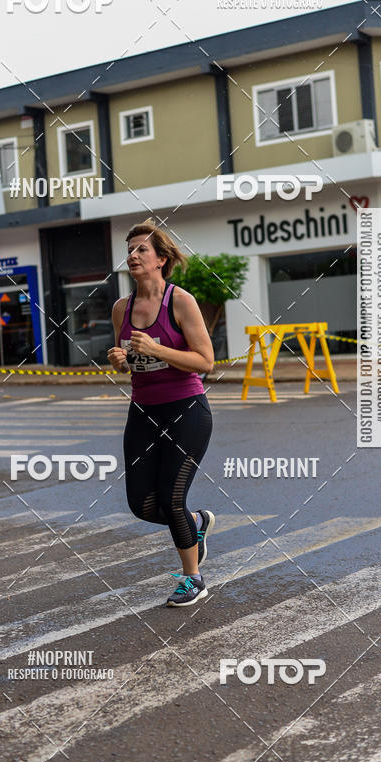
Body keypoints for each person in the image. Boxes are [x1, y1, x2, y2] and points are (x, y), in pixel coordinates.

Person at [107, 219, 215, 606]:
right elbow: (129, 364)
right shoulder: (122, 308)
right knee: (141, 504)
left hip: (186, 410)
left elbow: (205, 361)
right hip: (143, 412)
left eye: (141, 250)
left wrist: (156, 349)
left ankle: (193, 579)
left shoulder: (180, 301)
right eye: (130, 249)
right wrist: (121, 360)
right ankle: (196, 524)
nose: (132, 255)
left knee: (171, 497)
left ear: (161, 260)